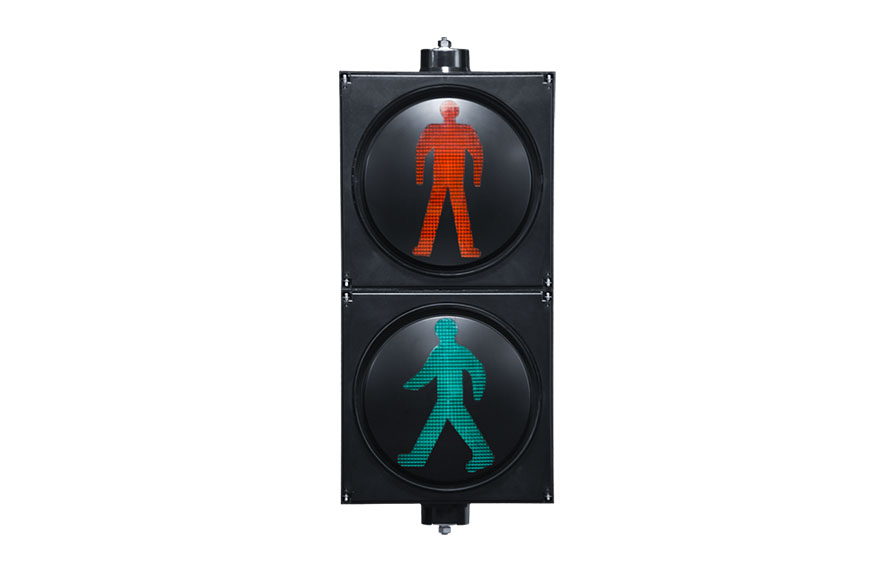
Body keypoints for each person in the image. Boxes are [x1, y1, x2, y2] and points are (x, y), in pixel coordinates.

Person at [397, 318, 494, 473]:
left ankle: (483, 454)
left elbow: (477, 369)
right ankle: (419, 456)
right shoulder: (438, 352)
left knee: (458, 426)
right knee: (438, 427)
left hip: (454, 398)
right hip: (444, 398)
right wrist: (411, 385)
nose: (445, 333)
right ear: (437, 333)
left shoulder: (460, 352)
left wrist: (478, 391)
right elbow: (428, 372)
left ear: (454, 331)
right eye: (442, 330)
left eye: (448, 330)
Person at [412, 100, 484, 259]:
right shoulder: (465, 130)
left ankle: (425, 248)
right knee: (459, 213)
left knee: (436, 212)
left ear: (442, 112)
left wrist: (420, 177)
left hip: (443, 178)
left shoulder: (433, 129)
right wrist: (476, 179)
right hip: (453, 178)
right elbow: (478, 155)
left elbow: (420, 153)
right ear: (456, 112)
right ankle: (466, 249)